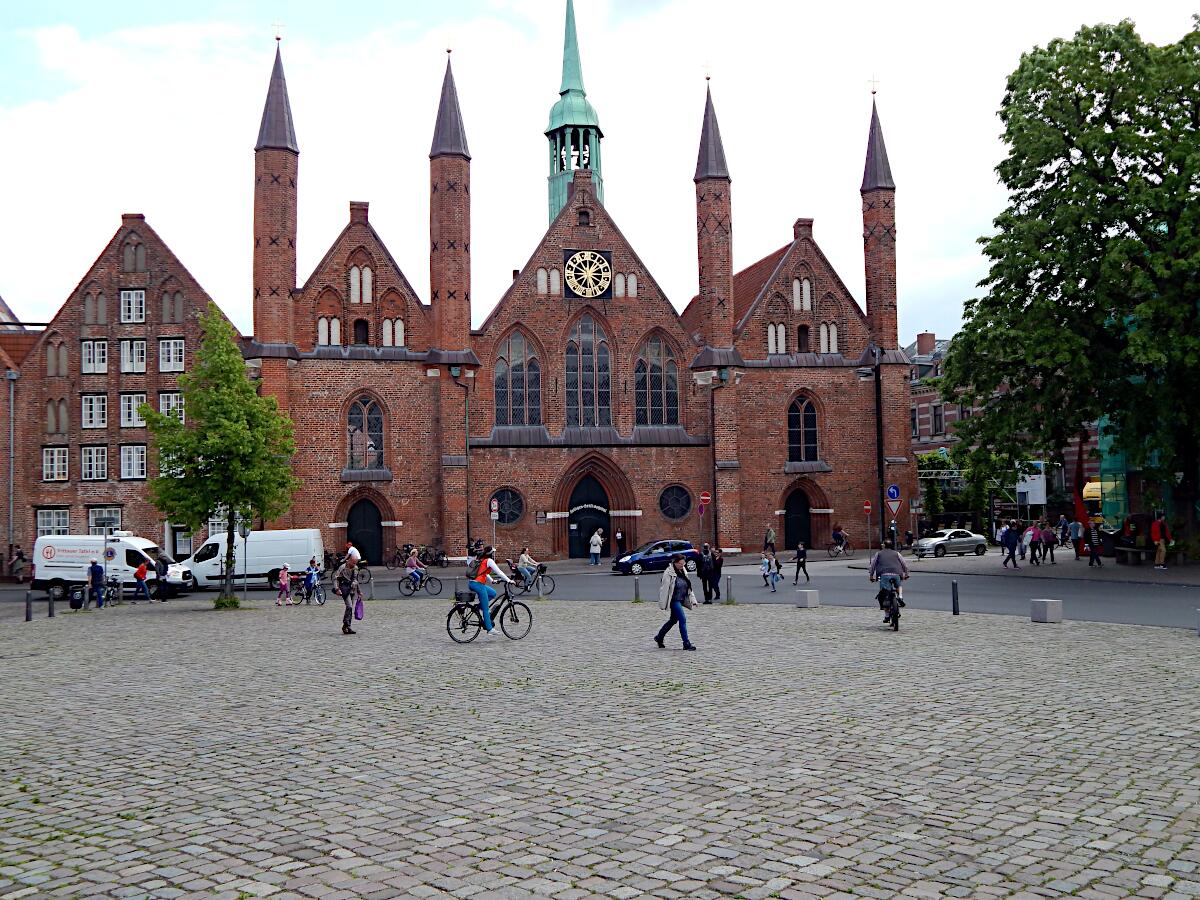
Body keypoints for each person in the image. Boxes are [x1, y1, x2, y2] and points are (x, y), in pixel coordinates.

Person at [655, 554, 697, 651]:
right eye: (681, 564)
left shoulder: (683, 571)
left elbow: (689, 587)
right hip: (674, 600)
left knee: (673, 620)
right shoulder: (669, 572)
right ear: (675, 563)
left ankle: (659, 637)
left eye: (683, 563)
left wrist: (693, 600)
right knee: (682, 619)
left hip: (681, 599)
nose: (683, 565)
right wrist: (663, 603)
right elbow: (664, 589)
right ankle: (686, 643)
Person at [470, 545, 513, 638]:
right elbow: (499, 572)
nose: (494, 554)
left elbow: (483, 572)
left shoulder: (482, 559)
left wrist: (492, 580)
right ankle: (489, 629)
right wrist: (508, 580)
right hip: (478, 584)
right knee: (486, 609)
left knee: (493, 593)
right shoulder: (489, 561)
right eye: (493, 553)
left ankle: (478, 607)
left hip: (473, 583)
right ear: (491, 554)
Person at [868, 539, 909, 623]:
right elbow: (904, 564)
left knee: (883, 594)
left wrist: (871, 575)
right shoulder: (897, 553)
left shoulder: (879, 554)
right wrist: (906, 573)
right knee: (898, 586)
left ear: (884, 546)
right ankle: (900, 597)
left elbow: (873, 565)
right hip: (897, 573)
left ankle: (887, 616)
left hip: (884, 575)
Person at [334, 557, 362, 634]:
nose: (354, 565)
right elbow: (336, 578)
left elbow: (356, 580)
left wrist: (359, 591)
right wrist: (337, 589)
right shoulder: (342, 568)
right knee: (349, 606)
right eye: (353, 563)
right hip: (344, 589)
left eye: (355, 563)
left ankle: (348, 627)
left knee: (350, 609)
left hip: (352, 589)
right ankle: (345, 623)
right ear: (349, 561)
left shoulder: (355, 568)